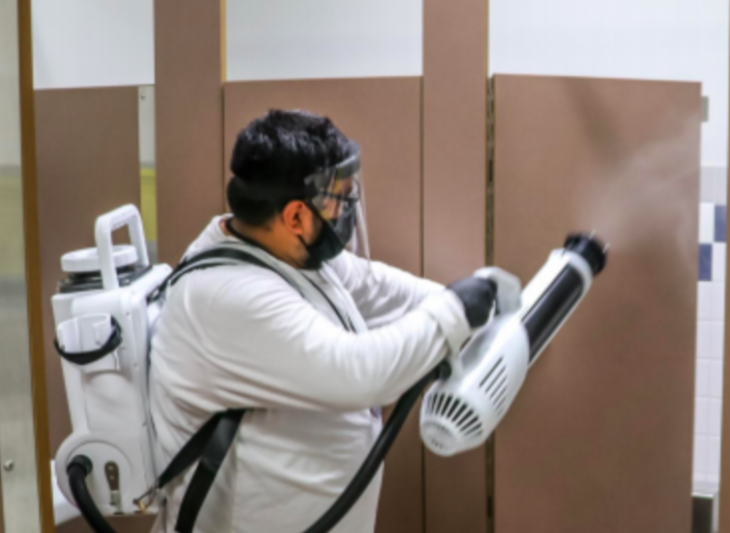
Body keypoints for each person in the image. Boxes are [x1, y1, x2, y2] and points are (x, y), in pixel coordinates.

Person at [148, 109, 496, 533]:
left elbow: (376, 288)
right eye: (340, 202)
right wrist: (454, 312)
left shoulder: (280, 249)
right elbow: (359, 374)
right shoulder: (227, 296)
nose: (348, 213)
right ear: (294, 217)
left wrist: (476, 305)